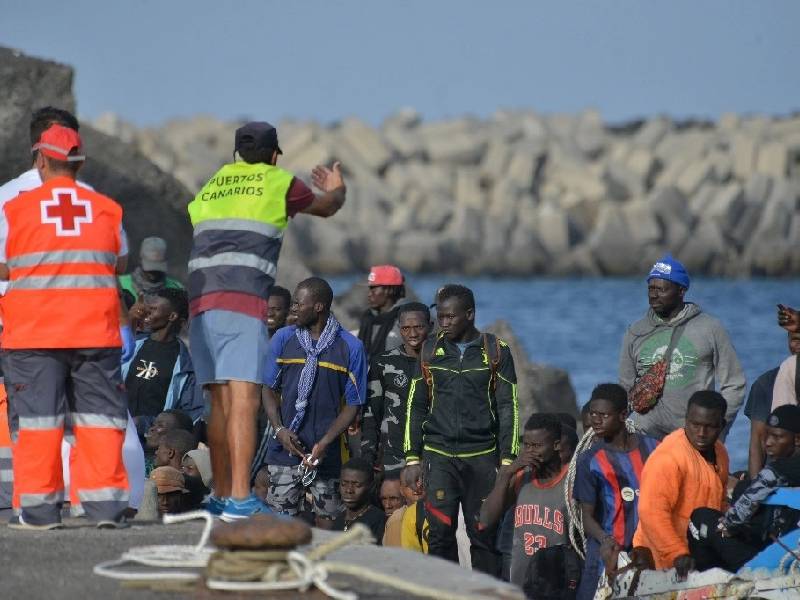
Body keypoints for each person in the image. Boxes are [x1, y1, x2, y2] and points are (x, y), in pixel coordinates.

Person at [188, 121, 346, 521]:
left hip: (201, 303)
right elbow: (326, 207)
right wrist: (336, 185)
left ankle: (222, 494)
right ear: (275, 155)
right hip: (242, 303)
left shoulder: (214, 184)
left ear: (236, 155)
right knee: (242, 401)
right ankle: (239, 498)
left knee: (220, 403)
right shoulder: (277, 182)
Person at [0, 107, 138, 513]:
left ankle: (36, 510)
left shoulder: (15, 206)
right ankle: (101, 509)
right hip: (94, 331)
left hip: (31, 331)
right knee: (96, 422)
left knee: (35, 424)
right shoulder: (102, 205)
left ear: (40, 156)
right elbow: (121, 263)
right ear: (79, 160)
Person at [404, 284, 518, 575]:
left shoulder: (495, 351)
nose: (443, 324)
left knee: (483, 536)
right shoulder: (430, 350)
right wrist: (412, 458)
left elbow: (509, 408)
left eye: (450, 317)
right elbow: (415, 405)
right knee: (440, 536)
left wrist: (507, 461)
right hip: (439, 456)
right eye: (440, 317)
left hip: (482, 457)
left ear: (470, 314)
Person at [264, 277, 367, 527]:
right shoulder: (282, 339)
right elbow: (267, 388)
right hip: (285, 450)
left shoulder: (350, 347)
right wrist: (279, 429)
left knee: (329, 524)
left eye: (299, 304)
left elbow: (353, 404)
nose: (294, 309)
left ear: (319, 307)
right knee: (280, 526)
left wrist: (324, 443)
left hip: (328, 455)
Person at [618, 254, 745, 439]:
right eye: (651, 288)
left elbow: (734, 383)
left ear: (681, 290)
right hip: (644, 434)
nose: (654, 295)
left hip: (692, 435)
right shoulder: (635, 332)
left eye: (661, 289)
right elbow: (625, 388)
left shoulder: (710, 328)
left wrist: (717, 426)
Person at [572, 384, 659, 600]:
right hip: (605, 551)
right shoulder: (589, 460)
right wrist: (605, 540)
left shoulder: (655, 449)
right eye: (593, 413)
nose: (595, 420)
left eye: (604, 415)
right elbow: (586, 516)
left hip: (647, 550)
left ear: (623, 415)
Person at [688, 405, 800, 573]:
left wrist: (727, 525)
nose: (768, 443)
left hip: (769, 564)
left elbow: (740, 512)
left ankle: (708, 581)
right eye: (767, 435)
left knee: (701, 518)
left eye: (777, 437)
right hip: (788, 553)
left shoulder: (776, 471)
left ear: (797, 440)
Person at [632, 391, 730, 580]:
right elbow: (651, 512)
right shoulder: (668, 457)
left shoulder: (721, 452)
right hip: (661, 559)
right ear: (685, 420)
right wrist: (676, 552)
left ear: (722, 426)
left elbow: (722, 501)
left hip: (699, 552)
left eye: (709, 427)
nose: (701, 433)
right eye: (695, 425)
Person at [480, 414, 570, 589]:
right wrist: (507, 473)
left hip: (557, 579)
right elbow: (485, 520)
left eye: (537, 446)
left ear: (556, 445)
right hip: (519, 579)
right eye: (527, 445)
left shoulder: (571, 479)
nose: (530, 452)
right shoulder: (521, 477)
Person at [361, 302, 433, 479]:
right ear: (399, 328)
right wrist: (367, 460)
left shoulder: (444, 362)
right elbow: (371, 416)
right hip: (395, 457)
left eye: (419, 327)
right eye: (406, 328)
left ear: (430, 327)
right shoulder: (383, 363)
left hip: (435, 457)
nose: (413, 334)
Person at [123, 288, 204, 430]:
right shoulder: (133, 345)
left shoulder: (185, 365)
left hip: (151, 442)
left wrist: (148, 424)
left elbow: (190, 413)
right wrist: (129, 320)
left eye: (153, 309)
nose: (147, 312)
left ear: (172, 316)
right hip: (117, 428)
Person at [745, 332, 800, 478]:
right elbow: (758, 441)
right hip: (776, 477)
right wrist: (753, 487)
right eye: (794, 339)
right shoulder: (766, 383)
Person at [118, 237, 183, 310]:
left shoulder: (176, 289)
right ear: (140, 260)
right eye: (150, 267)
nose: (153, 274)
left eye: (157, 268)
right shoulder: (120, 284)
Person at [358, 265, 407, 359]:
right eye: (369, 289)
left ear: (389, 290)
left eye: (374, 288)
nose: (369, 294)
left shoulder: (406, 320)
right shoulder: (367, 318)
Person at [333, 458, 386, 542]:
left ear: (371, 487)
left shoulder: (378, 521)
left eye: (357, 485)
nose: (349, 490)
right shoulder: (338, 521)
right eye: (344, 484)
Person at [383, 465, 424, 547]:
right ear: (401, 490)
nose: (416, 488)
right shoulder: (397, 520)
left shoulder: (438, 512)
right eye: (409, 484)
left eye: (421, 483)